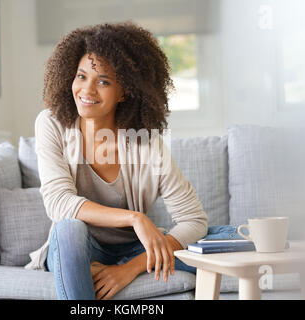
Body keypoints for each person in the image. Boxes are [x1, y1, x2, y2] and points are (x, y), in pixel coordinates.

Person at [24, 21, 208, 300]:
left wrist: (130, 268)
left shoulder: (146, 143)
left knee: (227, 239)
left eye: (104, 81)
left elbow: (193, 220)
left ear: (125, 91)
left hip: (135, 250)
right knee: (68, 230)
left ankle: (124, 266)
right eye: (81, 76)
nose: (87, 90)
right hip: (80, 250)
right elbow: (59, 203)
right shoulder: (52, 124)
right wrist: (134, 218)